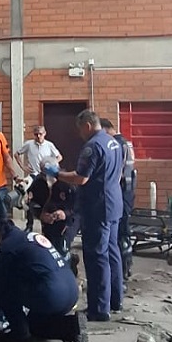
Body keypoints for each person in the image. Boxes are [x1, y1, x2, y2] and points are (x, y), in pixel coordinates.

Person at [56, 110, 124, 321]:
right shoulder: (113, 142)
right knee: (112, 252)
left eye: (80, 130)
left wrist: (56, 174)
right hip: (114, 203)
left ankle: (99, 309)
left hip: (98, 207)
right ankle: (115, 300)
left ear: (87, 125)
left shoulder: (92, 146)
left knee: (97, 257)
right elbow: (119, 172)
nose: (80, 135)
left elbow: (81, 178)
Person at [0, 218, 87, 342]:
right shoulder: (29, 237)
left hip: (51, 294)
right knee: (33, 325)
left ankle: (21, 337)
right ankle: (72, 327)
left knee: (4, 289)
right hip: (71, 291)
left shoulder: (7, 246)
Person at [101, 118, 137, 280]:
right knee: (124, 230)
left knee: (120, 232)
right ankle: (126, 267)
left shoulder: (115, 144)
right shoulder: (126, 143)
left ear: (105, 130)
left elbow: (116, 172)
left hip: (120, 192)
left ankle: (121, 272)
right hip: (128, 191)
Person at [37, 161, 80, 276]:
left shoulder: (69, 185)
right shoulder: (41, 183)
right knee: (50, 247)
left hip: (70, 220)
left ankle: (67, 269)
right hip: (53, 221)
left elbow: (78, 208)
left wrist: (65, 214)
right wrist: (44, 215)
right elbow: (43, 204)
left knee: (62, 245)